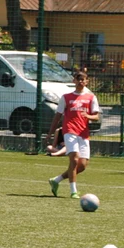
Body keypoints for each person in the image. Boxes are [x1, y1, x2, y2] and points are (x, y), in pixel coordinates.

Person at [47, 71, 100, 199]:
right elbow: (57, 116)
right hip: (70, 131)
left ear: (87, 81)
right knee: (74, 159)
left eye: (83, 79)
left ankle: (56, 180)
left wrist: (88, 116)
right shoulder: (66, 97)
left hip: (83, 133)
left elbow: (96, 116)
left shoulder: (91, 97)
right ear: (74, 81)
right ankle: (73, 191)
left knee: (82, 166)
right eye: (78, 79)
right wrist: (50, 133)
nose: (81, 81)